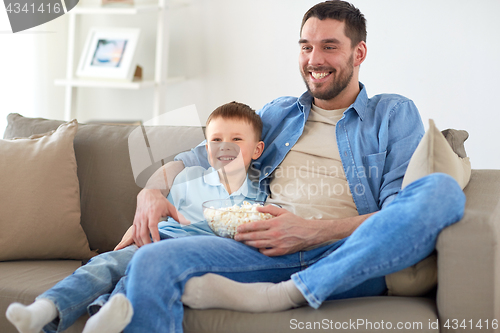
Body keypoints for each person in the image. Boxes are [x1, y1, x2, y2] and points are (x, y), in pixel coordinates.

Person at [120, 1, 466, 332]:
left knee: (442, 191)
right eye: (306, 47)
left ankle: (286, 293)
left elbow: (397, 213)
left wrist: (313, 232)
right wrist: (150, 192)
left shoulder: (392, 114)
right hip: (266, 248)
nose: (314, 60)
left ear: (358, 53)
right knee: (151, 261)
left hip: (346, 255)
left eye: (329, 46)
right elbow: (192, 158)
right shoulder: (278, 114)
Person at [5, 101, 266, 333]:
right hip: (160, 239)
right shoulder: (188, 178)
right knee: (104, 265)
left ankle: (101, 318)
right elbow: (160, 216)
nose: (225, 147)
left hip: (196, 254)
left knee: (138, 275)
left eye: (237, 140)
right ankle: (44, 309)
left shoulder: (261, 192)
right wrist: (140, 230)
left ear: (257, 149)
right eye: (216, 140)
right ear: (206, 147)